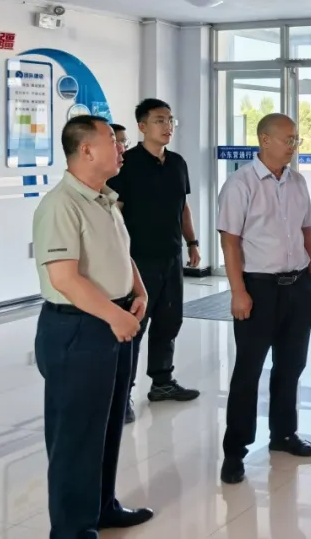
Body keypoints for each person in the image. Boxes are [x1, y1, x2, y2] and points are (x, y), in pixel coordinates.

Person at [32, 115, 154, 536]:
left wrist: (138, 290)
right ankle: (71, 529)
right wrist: (115, 316)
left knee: (107, 425)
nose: (122, 148)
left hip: (113, 322)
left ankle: (101, 507)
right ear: (85, 150)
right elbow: (64, 279)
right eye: (113, 142)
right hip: (79, 329)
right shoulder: (60, 204)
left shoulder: (104, 199)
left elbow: (121, 252)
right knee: (76, 437)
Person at [217, 113, 311, 485]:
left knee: (291, 365)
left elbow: (306, 229)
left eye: (296, 139)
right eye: (288, 139)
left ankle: (284, 434)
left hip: (298, 286)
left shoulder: (297, 181)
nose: (293, 145)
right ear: (264, 139)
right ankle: (235, 451)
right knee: (249, 370)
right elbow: (230, 242)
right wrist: (238, 291)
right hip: (258, 288)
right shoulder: (240, 184)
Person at [108, 99, 200, 425]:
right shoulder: (127, 164)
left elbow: (182, 207)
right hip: (138, 260)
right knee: (135, 325)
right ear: (142, 126)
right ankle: (122, 394)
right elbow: (114, 213)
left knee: (169, 320)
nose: (167, 126)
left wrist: (192, 243)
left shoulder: (177, 163)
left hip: (171, 256)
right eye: (160, 120)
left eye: (170, 120)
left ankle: (162, 382)